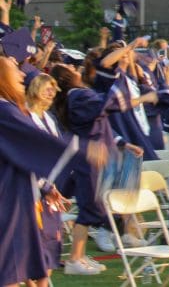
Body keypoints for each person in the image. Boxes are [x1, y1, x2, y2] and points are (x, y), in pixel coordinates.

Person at [0, 56, 95, 287]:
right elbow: (35, 143)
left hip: (17, 195)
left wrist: (46, 187)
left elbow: (21, 154)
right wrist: (84, 149)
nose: (23, 75)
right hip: (7, 199)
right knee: (8, 269)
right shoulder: (4, 110)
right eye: (15, 70)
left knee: (11, 269)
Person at [51, 44, 146, 271]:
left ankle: (80, 256)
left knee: (94, 207)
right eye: (71, 69)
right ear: (66, 79)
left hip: (97, 157)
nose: (76, 70)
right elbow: (106, 104)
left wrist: (123, 143)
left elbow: (101, 126)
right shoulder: (79, 97)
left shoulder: (80, 96)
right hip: (90, 160)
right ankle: (75, 258)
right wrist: (126, 56)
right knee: (89, 208)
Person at [23, 72, 72, 282]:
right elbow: (26, 157)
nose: (52, 92)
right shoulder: (23, 117)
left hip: (51, 189)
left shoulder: (50, 119)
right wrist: (45, 186)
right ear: (34, 89)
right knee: (32, 243)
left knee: (52, 242)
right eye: (47, 87)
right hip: (29, 190)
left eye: (53, 87)